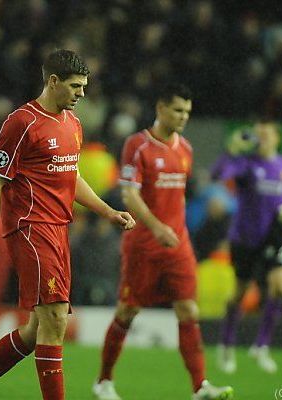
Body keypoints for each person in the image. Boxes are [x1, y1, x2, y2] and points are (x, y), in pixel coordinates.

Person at [0, 49, 135, 400]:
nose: (82, 94)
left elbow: (69, 177)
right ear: (53, 81)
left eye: (85, 87)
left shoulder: (73, 124)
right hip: (30, 228)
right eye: (76, 86)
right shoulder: (21, 122)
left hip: (59, 229)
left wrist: (108, 211)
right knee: (56, 319)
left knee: (36, 330)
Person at [93, 83, 233, 400]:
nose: (183, 117)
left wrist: (176, 229)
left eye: (187, 112)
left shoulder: (185, 148)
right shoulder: (137, 145)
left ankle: (200, 387)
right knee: (128, 312)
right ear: (161, 109)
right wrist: (156, 227)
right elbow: (129, 194)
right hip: (144, 244)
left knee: (188, 310)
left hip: (177, 244)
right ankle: (103, 382)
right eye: (178, 110)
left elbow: (178, 198)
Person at [213, 121, 282, 374]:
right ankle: (226, 344)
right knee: (240, 293)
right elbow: (218, 175)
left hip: (273, 237)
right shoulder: (246, 163)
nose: (262, 138)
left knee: (280, 286)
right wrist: (231, 151)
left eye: (266, 133)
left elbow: (278, 195)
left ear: (277, 138)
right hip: (245, 238)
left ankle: (261, 346)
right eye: (258, 134)